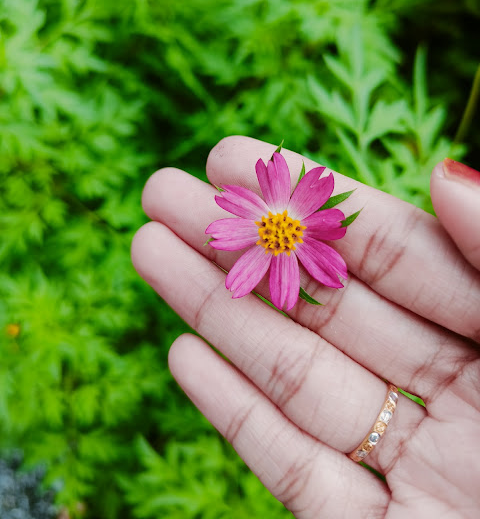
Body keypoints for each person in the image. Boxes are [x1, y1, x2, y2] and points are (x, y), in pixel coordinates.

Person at [132, 135, 480, 518]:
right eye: (276, 231)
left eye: (281, 232)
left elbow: (326, 223)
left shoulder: (298, 236)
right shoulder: (267, 236)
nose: (278, 232)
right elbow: (233, 230)